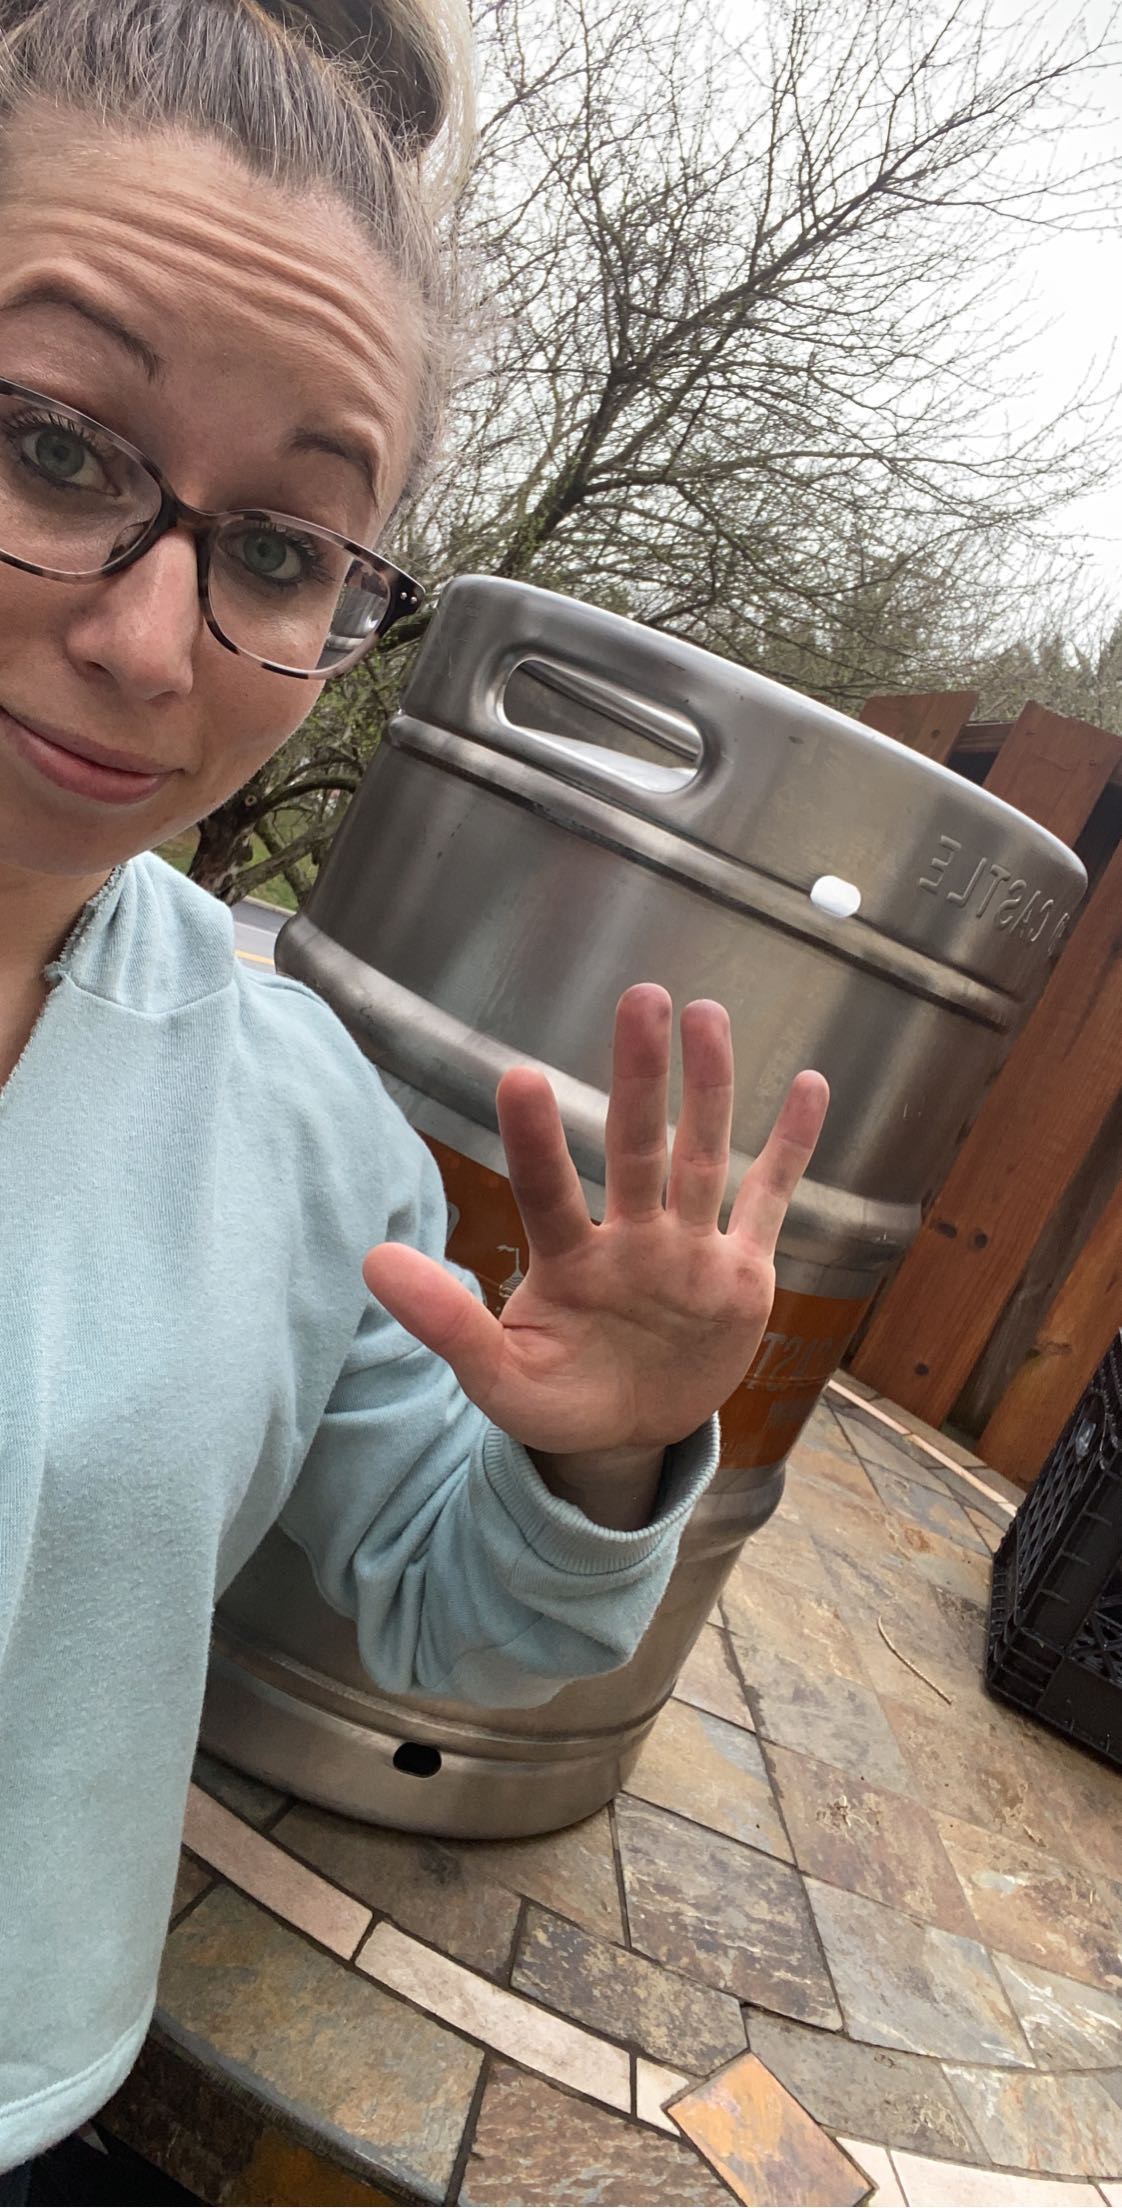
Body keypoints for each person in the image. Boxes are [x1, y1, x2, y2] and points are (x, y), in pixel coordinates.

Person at [0, 0, 829, 2196]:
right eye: (55, 446)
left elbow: (455, 1604)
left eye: (282, 554)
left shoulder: (294, 1118)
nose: (153, 646)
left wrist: (601, 1450)